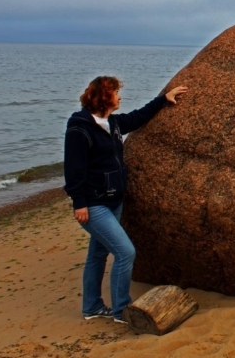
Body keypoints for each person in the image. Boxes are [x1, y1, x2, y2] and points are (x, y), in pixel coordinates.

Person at [63, 76, 188, 324]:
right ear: (104, 97)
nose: (120, 97)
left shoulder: (113, 123)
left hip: (113, 201)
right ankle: (121, 310)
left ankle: (92, 307)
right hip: (94, 204)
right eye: (116, 93)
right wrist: (79, 203)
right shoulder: (80, 128)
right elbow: (73, 169)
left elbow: (138, 117)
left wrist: (164, 99)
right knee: (125, 252)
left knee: (97, 255)